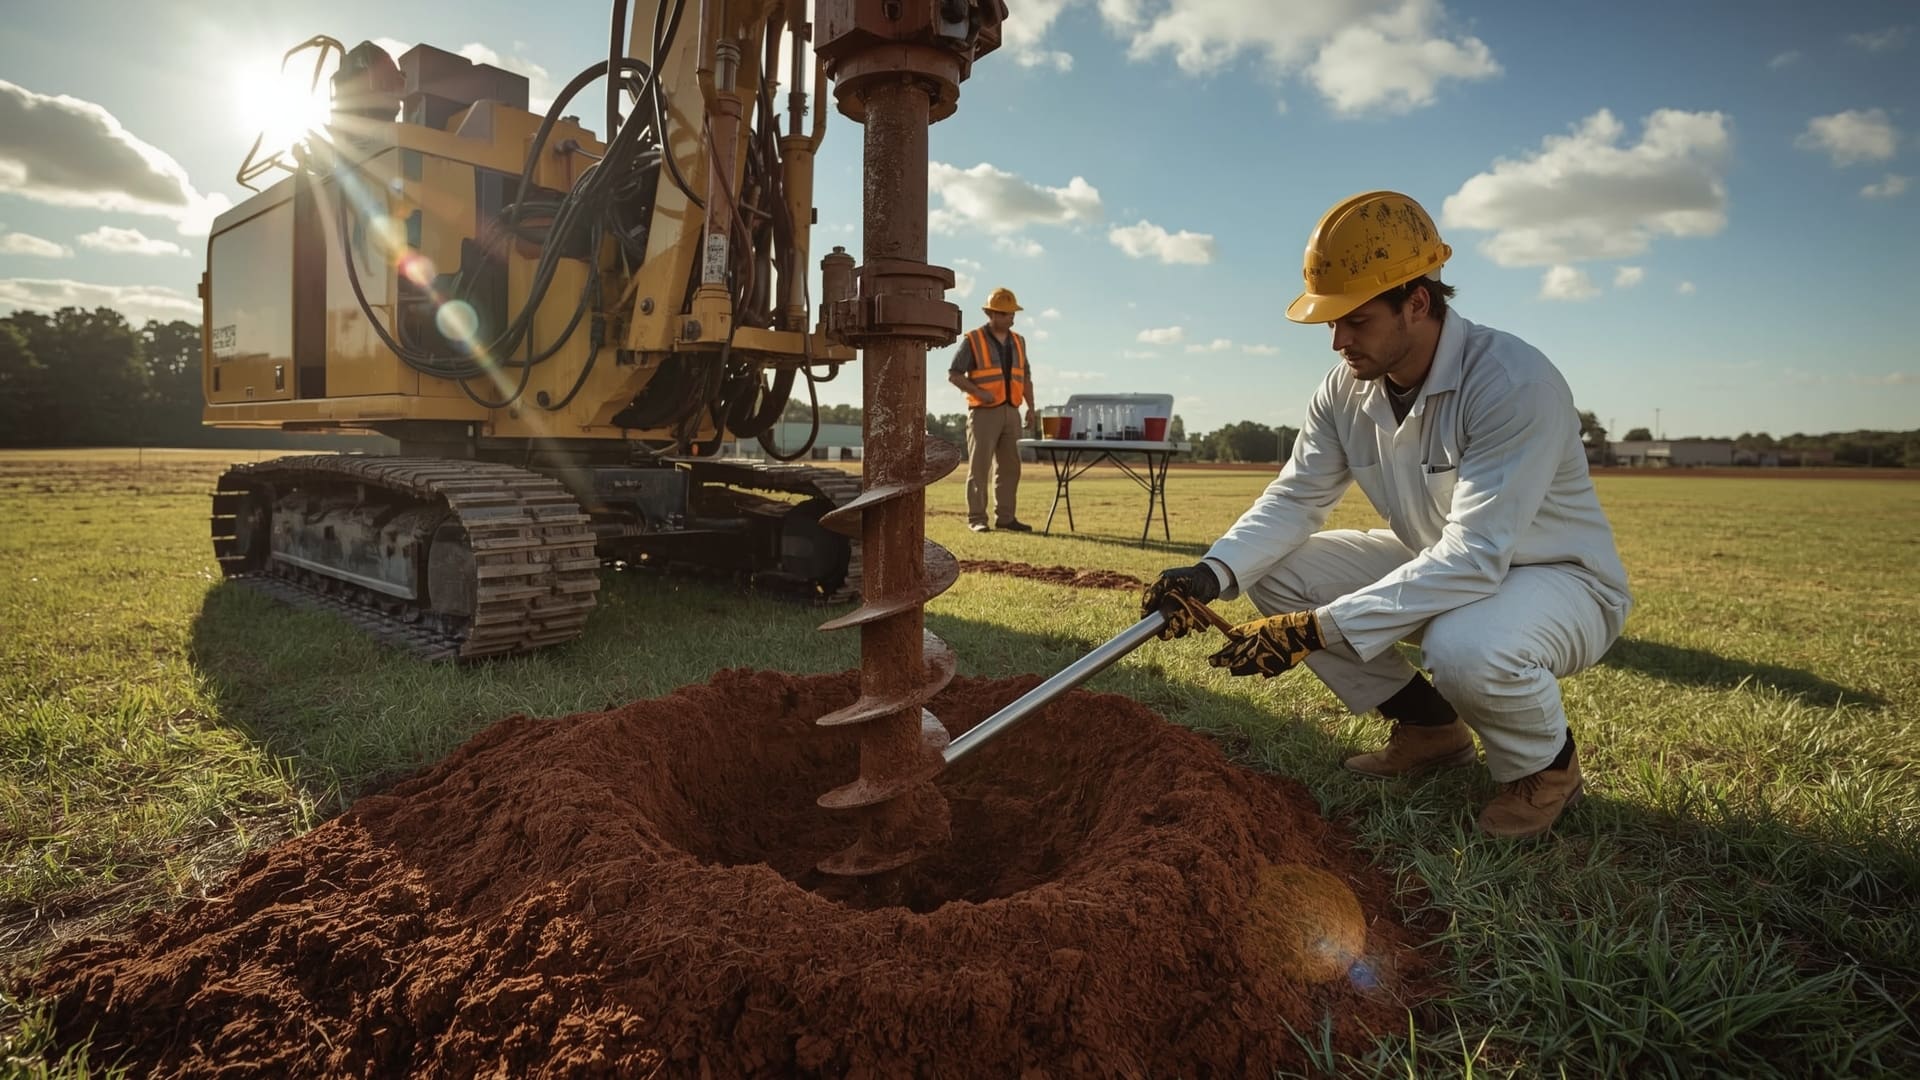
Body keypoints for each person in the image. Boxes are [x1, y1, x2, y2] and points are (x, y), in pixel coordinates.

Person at [1141, 191, 1632, 839]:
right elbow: (1296, 496)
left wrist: (1316, 630)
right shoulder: (1345, 388)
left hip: (1554, 578)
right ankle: (1432, 730)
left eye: (1356, 320)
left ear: (1418, 303)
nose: (1338, 341)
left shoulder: (1512, 381)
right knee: (1279, 574)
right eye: (1330, 323)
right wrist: (1212, 573)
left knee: (1467, 651)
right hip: (1441, 559)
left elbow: (1479, 555)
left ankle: (1549, 769)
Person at [949, 286, 1038, 533]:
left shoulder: (1019, 341)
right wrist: (979, 392)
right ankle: (977, 518)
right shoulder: (973, 339)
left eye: (1012, 314)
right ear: (994, 314)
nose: (1013, 318)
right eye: (1008, 314)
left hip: (1012, 411)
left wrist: (1031, 407)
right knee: (980, 467)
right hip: (983, 413)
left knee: (1011, 468)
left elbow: (1026, 377)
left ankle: (1006, 518)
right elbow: (954, 374)